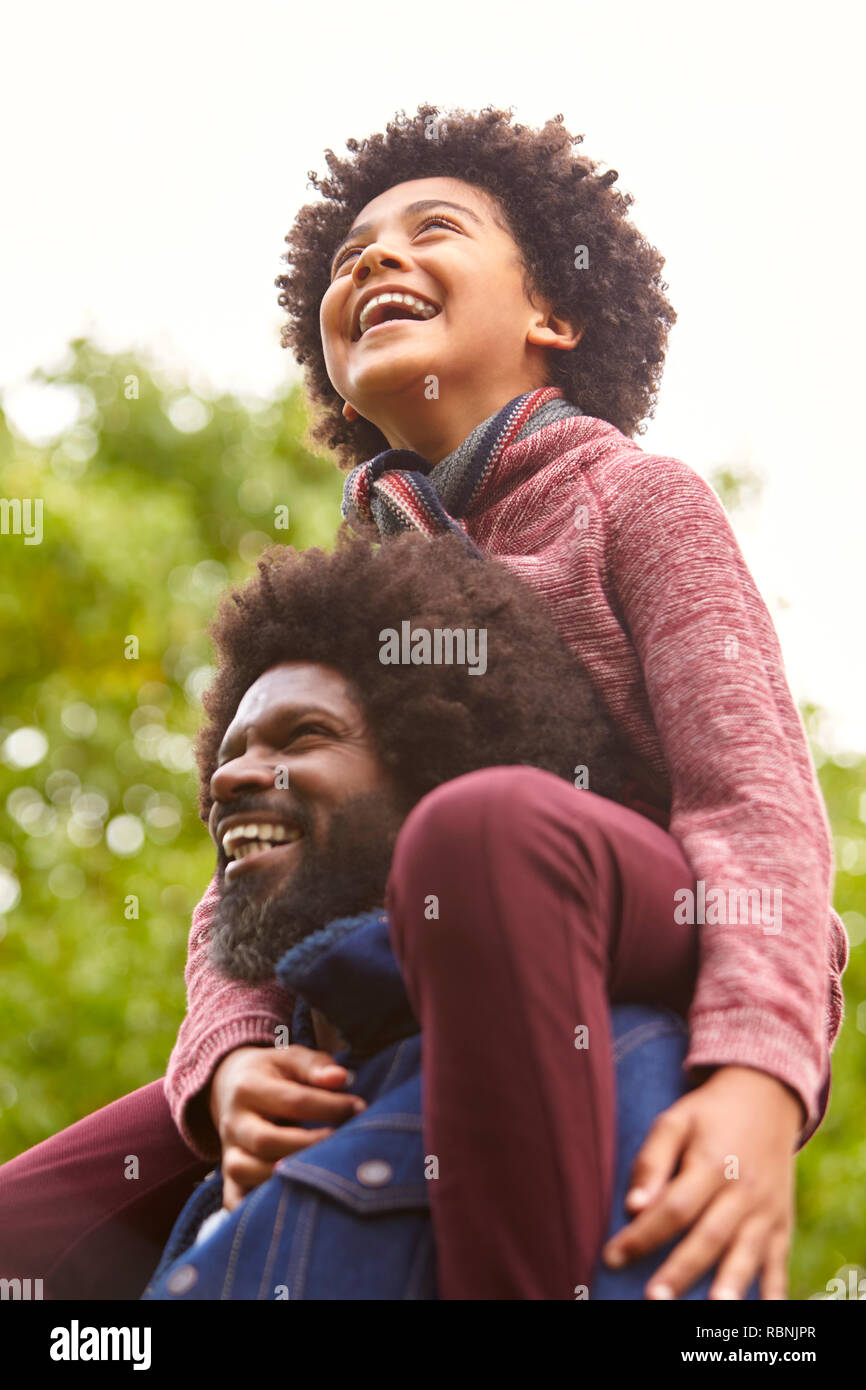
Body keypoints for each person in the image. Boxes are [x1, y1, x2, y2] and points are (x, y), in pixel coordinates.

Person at [0, 103, 846, 1301]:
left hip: (628, 896)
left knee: (484, 830)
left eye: (430, 229)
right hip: (406, 940)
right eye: (348, 259)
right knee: (23, 1224)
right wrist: (231, 1063)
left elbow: (754, 799)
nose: (375, 260)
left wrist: (758, 1078)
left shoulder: (632, 501)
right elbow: (244, 874)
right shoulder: (334, 597)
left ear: (551, 317)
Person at [141, 534, 739, 1300]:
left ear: (435, 768)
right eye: (229, 753)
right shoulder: (237, 1149)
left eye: (305, 736)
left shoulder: (615, 1061)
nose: (229, 778)